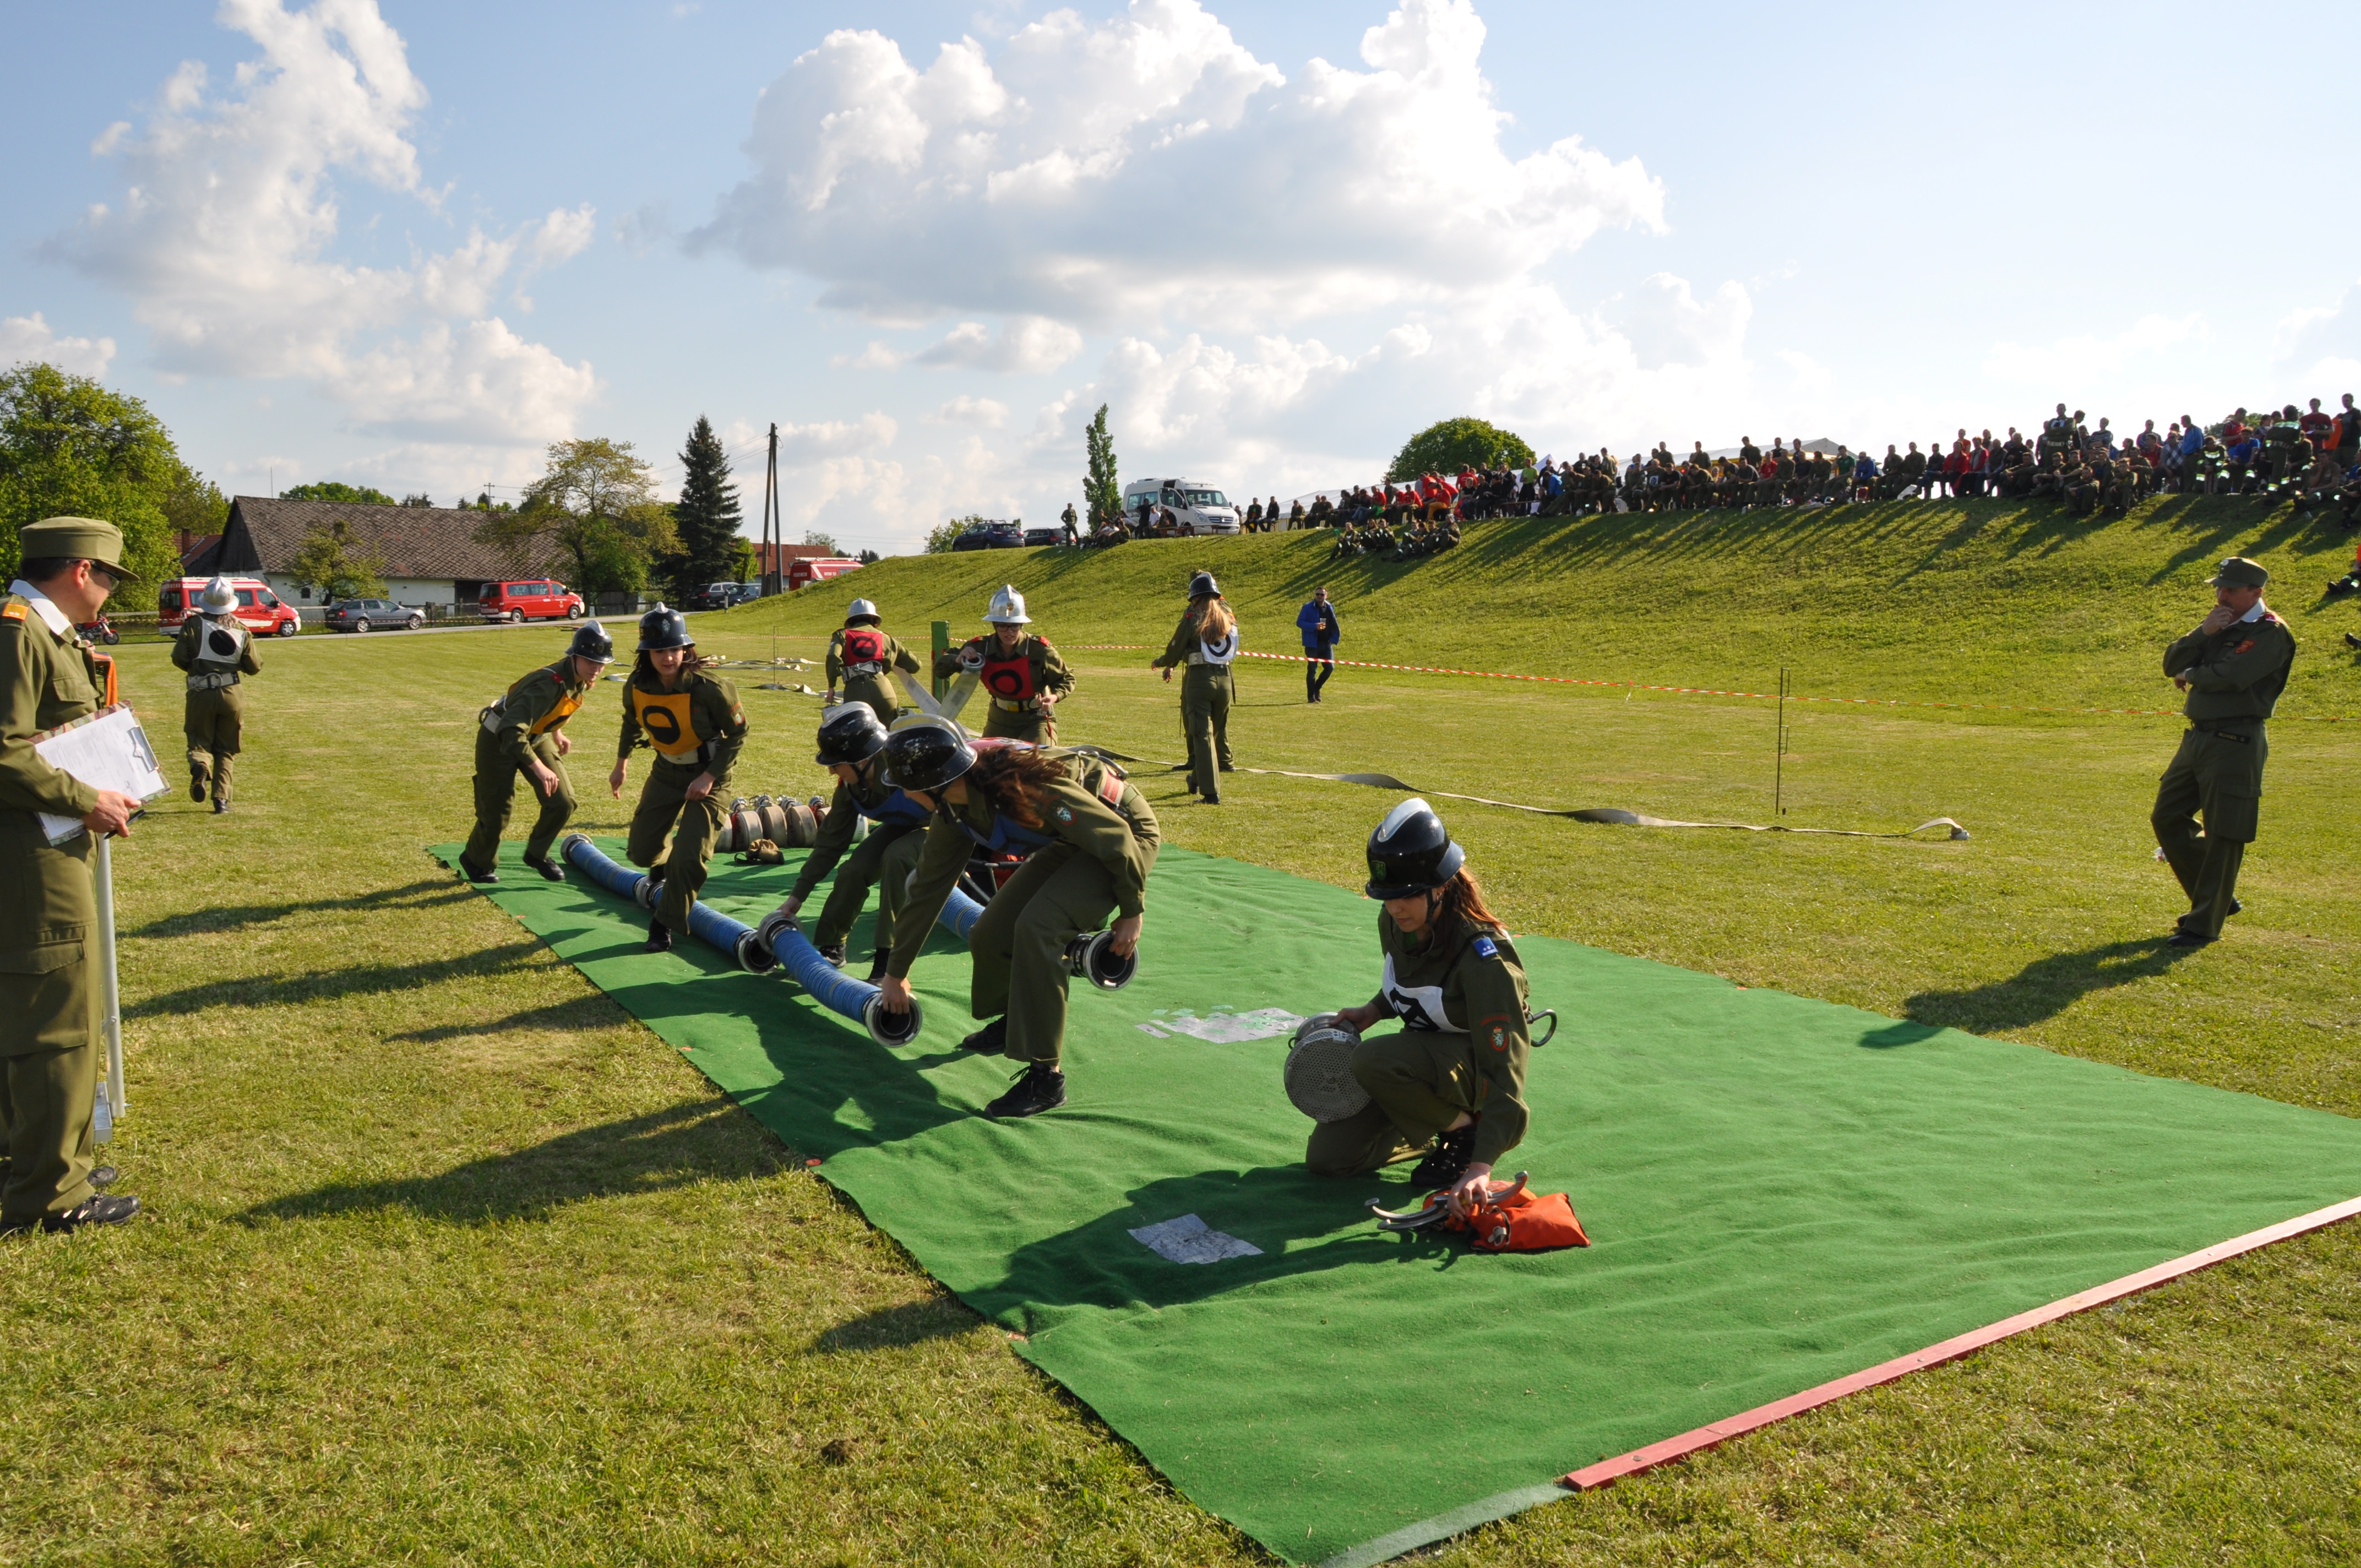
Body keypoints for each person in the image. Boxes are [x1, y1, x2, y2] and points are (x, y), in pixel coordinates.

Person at [875, 723, 1159, 1119]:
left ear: (936, 783)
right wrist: (896, 974)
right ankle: (1016, 1021)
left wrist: (1132, 911)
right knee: (990, 933)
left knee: (1040, 929)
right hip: (1074, 838)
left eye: (909, 786)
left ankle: (1047, 1079)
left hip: (1125, 834)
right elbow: (927, 890)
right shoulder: (953, 808)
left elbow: (1115, 838)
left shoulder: (1025, 787)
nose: (905, 795)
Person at [2, 517, 144, 1233]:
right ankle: (52, 1194)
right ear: (82, 571)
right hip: (32, 853)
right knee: (57, 1021)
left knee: (46, 1013)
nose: (112, 591)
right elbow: (3, 751)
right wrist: (86, 797)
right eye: (111, 577)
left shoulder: (44, 632)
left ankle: (47, 1161)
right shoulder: (19, 631)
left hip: (47, 844)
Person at [1305, 799, 1532, 1214]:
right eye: (1387, 896)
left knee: (1373, 1058)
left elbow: (1507, 1069)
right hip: (1422, 1068)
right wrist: (1374, 1010)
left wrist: (1480, 1164)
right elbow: (1415, 982)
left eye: (1407, 895)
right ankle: (1432, 1127)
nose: (1395, 907)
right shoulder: (1395, 922)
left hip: (1470, 1072)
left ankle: (1462, 1134)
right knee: (1330, 1160)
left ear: (1440, 886)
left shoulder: (1485, 959)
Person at [2152, 558, 2297, 949]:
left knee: (2225, 833)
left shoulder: (2270, 632)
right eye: (2219, 587)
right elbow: (2171, 663)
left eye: (2231, 589)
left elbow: (2231, 677)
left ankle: (2203, 925)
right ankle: (2217, 898)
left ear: (2256, 592)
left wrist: (2190, 675)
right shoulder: (2220, 624)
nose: (2222, 595)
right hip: (2198, 738)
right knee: (2167, 816)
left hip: (2236, 740)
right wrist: (2202, 632)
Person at [609, 603, 748, 953]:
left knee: (690, 858)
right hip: (666, 772)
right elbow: (631, 722)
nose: (668, 658)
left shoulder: (711, 687)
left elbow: (738, 734)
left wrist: (709, 777)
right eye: (659, 651)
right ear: (647, 653)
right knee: (641, 852)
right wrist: (621, 763)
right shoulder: (637, 685)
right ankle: (662, 865)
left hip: (710, 777)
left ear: (687, 649)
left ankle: (663, 923)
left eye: (674, 649)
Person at [777, 702, 932, 979]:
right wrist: (797, 897)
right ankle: (833, 945)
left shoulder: (908, 766)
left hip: (950, 827)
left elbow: (954, 811)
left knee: (896, 857)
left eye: (836, 764)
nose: (831, 772)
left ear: (862, 760)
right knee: (854, 870)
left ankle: (888, 963)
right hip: (910, 825)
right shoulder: (851, 786)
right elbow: (831, 842)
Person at [458, 619, 613, 884]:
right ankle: (477, 860)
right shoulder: (547, 683)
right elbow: (511, 730)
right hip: (500, 737)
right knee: (497, 810)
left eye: (601, 663)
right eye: (590, 661)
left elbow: (553, 708)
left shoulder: (579, 677)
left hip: (535, 736)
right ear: (575, 657)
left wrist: (557, 732)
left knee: (563, 801)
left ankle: (537, 854)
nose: (596, 668)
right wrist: (538, 767)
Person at [932, 585, 1073, 743]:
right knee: (986, 757)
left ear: (1021, 625)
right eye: (1003, 626)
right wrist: (958, 659)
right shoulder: (980, 647)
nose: (1009, 631)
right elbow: (940, 670)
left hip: (1035, 718)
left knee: (1038, 757)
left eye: (1015, 625)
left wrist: (1054, 697)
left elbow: (1066, 679)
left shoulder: (1039, 649)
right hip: (999, 719)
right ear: (994, 625)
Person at [170, 573, 260, 814]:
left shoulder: (192, 625)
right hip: (231, 694)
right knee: (226, 749)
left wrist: (197, 668)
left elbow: (179, 658)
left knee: (199, 742)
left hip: (201, 692)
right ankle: (221, 800)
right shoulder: (241, 629)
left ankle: (200, 764)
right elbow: (254, 667)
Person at [1152, 571, 1237, 803]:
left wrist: (1162, 661)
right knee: (1214, 733)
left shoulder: (1192, 618)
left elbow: (1175, 648)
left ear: (1196, 597)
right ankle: (1197, 778)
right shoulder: (1228, 617)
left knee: (1201, 735)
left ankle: (1211, 793)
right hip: (1226, 679)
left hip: (1200, 679)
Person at [826, 598, 922, 727]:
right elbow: (915, 665)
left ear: (851, 620)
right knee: (889, 733)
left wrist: (831, 685)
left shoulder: (842, 635)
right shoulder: (886, 638)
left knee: (858, 734)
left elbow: (833, 656)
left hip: (855, 691)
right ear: (875, 620)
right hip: (884, 691)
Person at [1297, 586, 1341, 703]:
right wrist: (1314, 626)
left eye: (1322, 594)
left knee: (1330, 668)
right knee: (1313, 670)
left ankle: (1317, 688)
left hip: (1326, 644)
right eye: (1318, 594)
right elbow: (1300, 622)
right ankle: (1311, 697)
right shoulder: (1307, 608)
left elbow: (1333, 623)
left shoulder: (1329, 607)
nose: (1319, 596)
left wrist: (1333, 637)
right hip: (1312, 644)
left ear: (1326, 596)